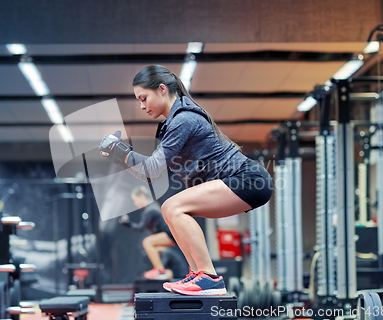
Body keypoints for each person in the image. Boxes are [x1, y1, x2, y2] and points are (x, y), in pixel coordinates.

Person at [99, 65, 273, 296]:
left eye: (144, 98)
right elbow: (148, 174)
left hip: (247, 179)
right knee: (172, 211)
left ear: (161, 89)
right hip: (239, 181)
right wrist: (118, 154)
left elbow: (151, 169)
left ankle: (209, 278)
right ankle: (198, 273)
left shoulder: (183, 119)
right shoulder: (175, 120)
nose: (141, 106)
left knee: (173, 206)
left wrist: (118, 149)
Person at [119, 185, 177, 280]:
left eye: (135, 200)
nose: (135, 203)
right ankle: (160, 270)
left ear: (142, 196)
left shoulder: (150, 210)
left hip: (170, 235)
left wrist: (127, 223)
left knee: (147, 242)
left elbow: (140, 228)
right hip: (169, 234)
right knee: (154, 248)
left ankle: (160, 271)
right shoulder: (151, 207)